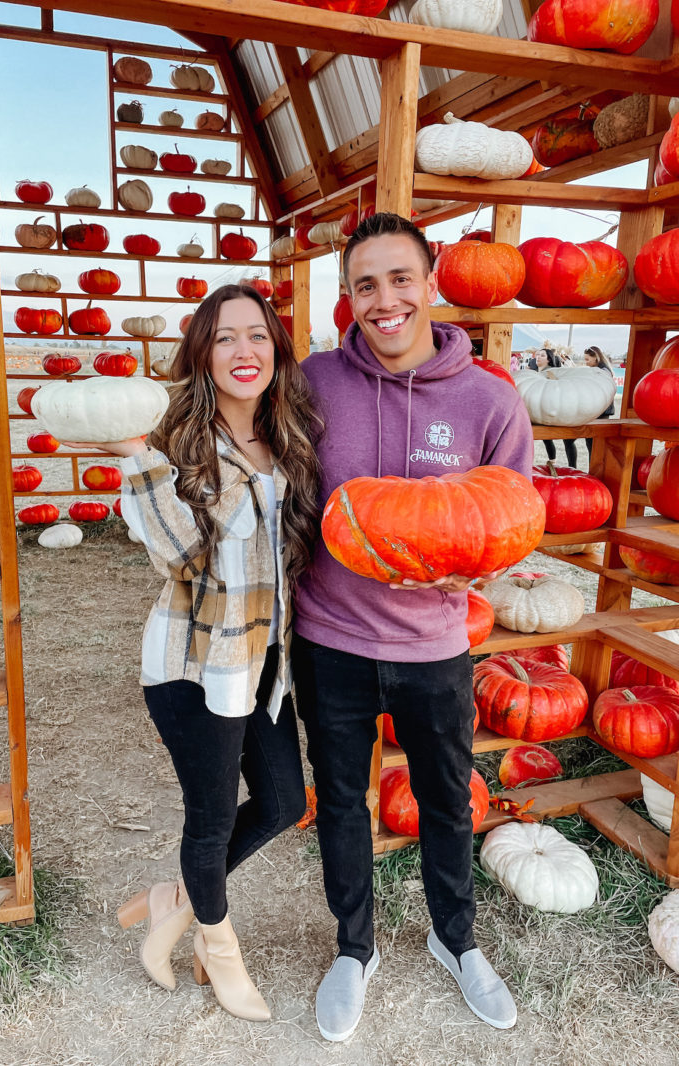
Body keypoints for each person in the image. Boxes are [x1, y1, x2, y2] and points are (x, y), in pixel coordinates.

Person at [292, 212, 534, 1041]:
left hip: (436, 646)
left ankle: (456, 939)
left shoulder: (489, 399)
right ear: (348, 298)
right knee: (341, 801)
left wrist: (483, 563)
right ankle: (354, 949)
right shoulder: (314, 382)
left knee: (446, 799)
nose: (384, 299)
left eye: (400, 279)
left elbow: (510, 514)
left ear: (431, 282)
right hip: (329, 638)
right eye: (365, 285)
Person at [66, 283, 322, 1022]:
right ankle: (217, 945)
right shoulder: (173, 445)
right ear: (203, 355)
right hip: (194, 667)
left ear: (276, 349)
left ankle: (170, 900)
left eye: (258, 336)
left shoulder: (289, 439)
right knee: (209, 819)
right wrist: (135, 460)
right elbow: (179, 551)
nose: (245, 352)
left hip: (262, 663)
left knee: (282, 802)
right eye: (225, 338)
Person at [528, 347, 578, 467]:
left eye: (542, 355)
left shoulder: (551, 373)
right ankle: (552, 461)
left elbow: (558, 390)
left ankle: (572, 466)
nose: (538, 357)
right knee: (547, 438)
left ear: (549, 359)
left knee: (568, 440)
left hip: (557, 410)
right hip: (543, 409)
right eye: (537, 355)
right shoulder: (536, 373)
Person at [583, 345, 615, 461]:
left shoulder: (602, 372)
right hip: (599, 409)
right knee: (592, 442)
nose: (585, 362)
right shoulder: (599, 370)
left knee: (595, 443)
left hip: (601, 410)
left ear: (595, 358)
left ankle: (595, 466)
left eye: (587, 359)